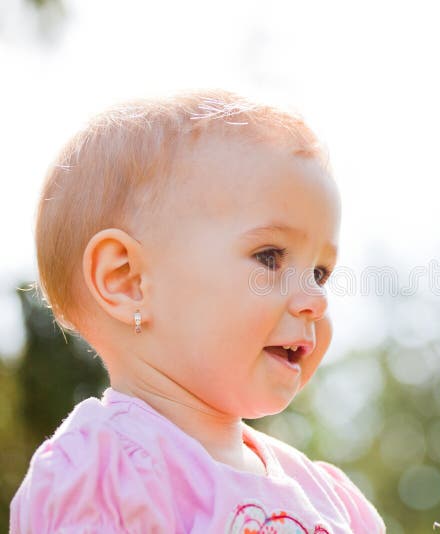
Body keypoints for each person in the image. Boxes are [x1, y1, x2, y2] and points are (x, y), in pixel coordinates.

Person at [10, 89, 387, 533]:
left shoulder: (331, 499)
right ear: (128, 280)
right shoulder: (102, 473)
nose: (317, 300)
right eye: (270, 257)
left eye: (320, 273)